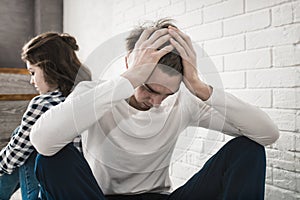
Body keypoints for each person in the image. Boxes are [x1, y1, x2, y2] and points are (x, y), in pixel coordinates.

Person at [30, 19, 279, 200]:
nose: (157, 102)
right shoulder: (95, 93)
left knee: (248, 149)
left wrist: (201, 88)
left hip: (158, 197)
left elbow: (267, 134)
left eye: (167, 93)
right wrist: (127, 82)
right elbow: (42, 141)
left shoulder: (184, 101)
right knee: (51, 158)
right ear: (130, 64)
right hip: (98, 196)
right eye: (148, 88)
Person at [0, 32, 91, 200]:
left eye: (32, 72)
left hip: (51, 194)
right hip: (84, 185)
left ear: (49, 67)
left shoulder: (43, 104)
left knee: (23, 140)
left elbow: (14, 156)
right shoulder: (86, 95)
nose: (31, 81)